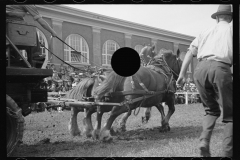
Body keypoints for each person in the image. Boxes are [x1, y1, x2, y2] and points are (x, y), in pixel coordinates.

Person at [176, 5, 232, 157]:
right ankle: (228, 153)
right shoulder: (232, 30)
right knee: (231, 115)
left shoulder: (205, 32)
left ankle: (204, 141)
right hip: (220, 68)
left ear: (217, 18)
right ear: (230, 18)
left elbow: (189, 53)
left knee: (211, 110)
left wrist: (181, 75)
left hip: (199, 70)